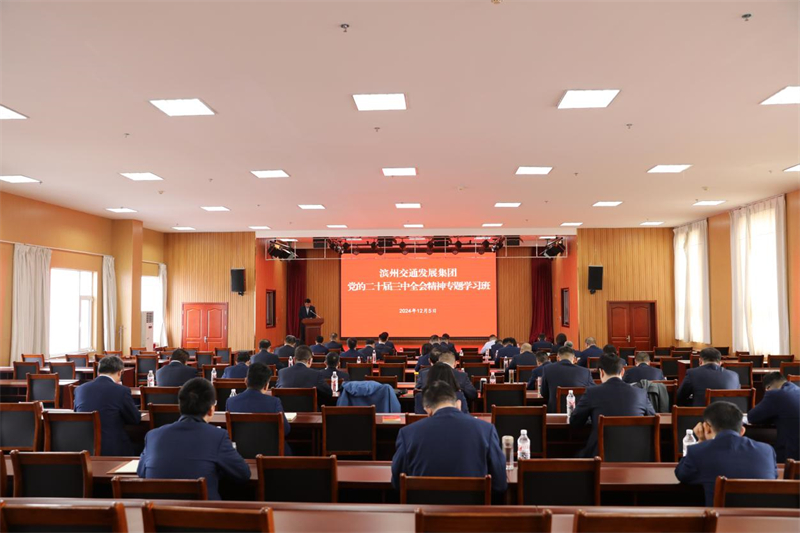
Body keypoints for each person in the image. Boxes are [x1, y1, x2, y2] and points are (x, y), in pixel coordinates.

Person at [137, 378, 250, 499]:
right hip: (203, 510)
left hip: (158, 510)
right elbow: (243, 474)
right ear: (211, 410)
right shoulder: (218, 436)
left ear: (180, 407)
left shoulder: (153, 435)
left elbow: (142, 472)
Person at [391, 381, 507, 493]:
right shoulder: (486, 430)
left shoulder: (408, 433)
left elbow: (397, 483)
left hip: (424, 505)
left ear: (427, 409)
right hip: (473, 506)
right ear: (458, 404)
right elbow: (500, 483)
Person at [675, 401, 777, 506]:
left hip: (719, 516)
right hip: (762, 516)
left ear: (707, 428)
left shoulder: (698, 452)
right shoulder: (767, 451)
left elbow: (681, 474)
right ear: (742, 431)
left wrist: (701, 441)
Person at [569, 354, 656, 457]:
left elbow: (575, 422)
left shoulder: (592, 392)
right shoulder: (640, 393)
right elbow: (653, 418)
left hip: (601, 456)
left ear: (601, 372)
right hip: (638, 455)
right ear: (622, 372)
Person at [74, 355, 141, 456]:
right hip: (113, 449)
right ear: (120, 373)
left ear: (98, 372)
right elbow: (135, 419)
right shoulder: (121, 391)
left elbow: (77, 415)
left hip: (85, 448)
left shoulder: (80, 389)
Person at [226, 363, 291, 440]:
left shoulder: (231, 402)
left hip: (240, 447)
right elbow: (285, 430)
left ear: (246, 381)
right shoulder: (274, 402)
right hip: (269, 447)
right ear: (266, 386)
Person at [747, 372, 800, 462]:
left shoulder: (775, 394)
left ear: (767, 388)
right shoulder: (797, 390)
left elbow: (752, 417)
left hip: (791, 457)